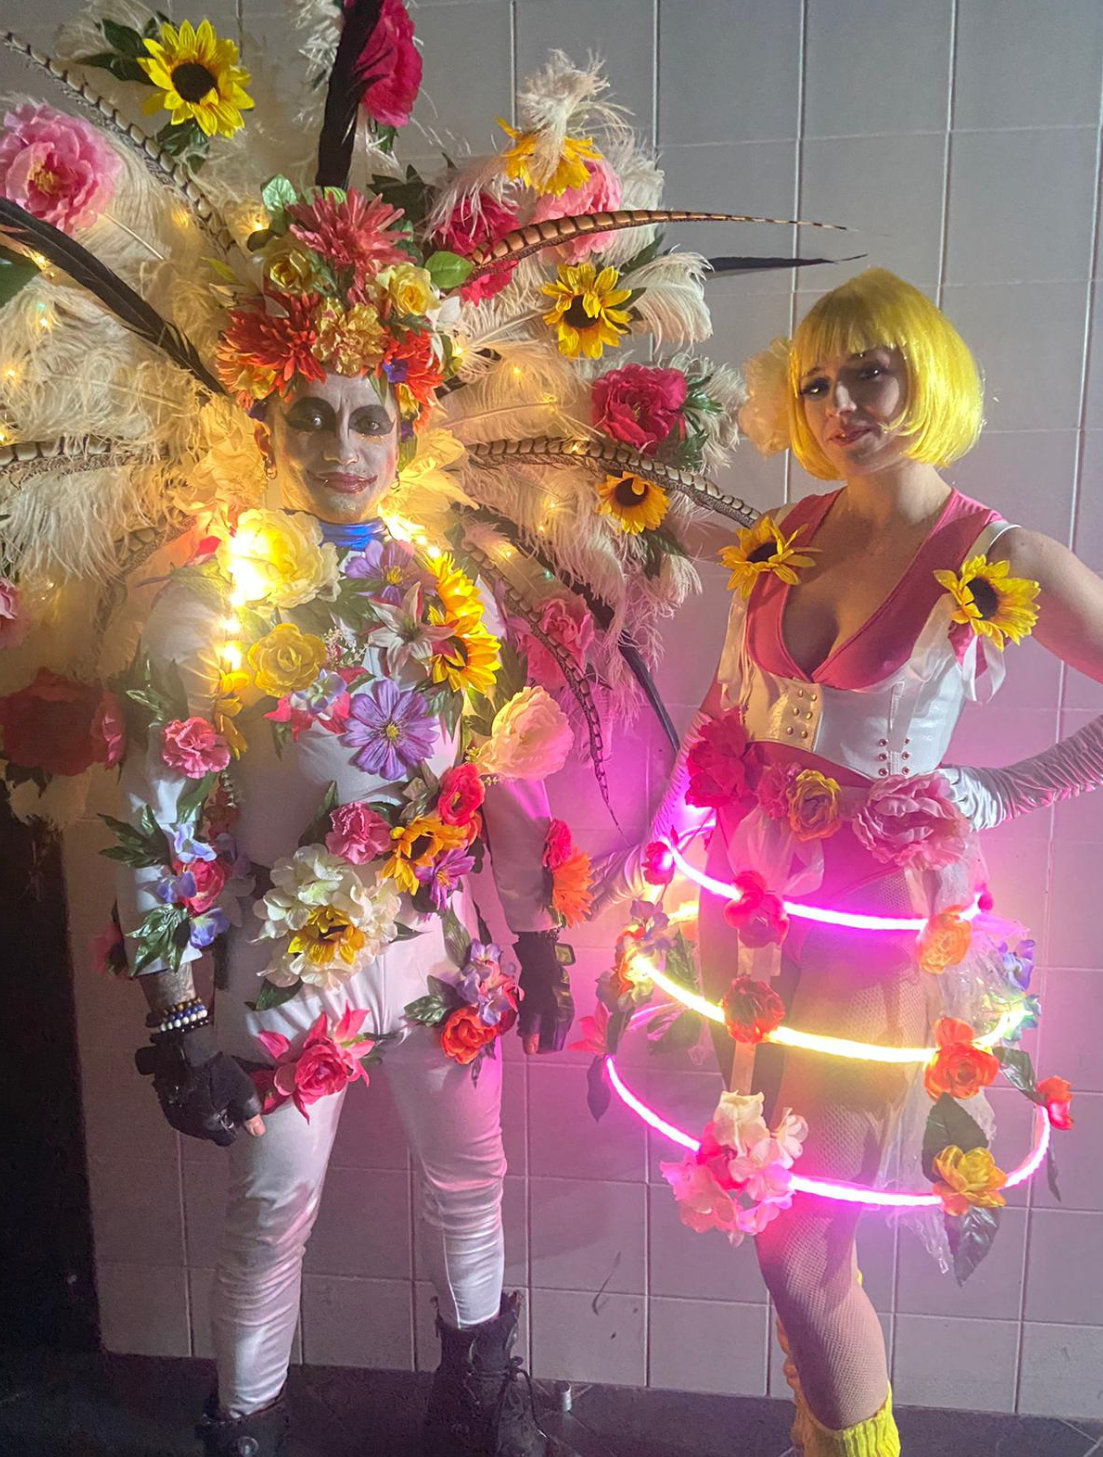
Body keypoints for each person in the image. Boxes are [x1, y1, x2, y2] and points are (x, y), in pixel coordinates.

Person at [0, 4, 813, 1453]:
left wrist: (540, 936)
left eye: (365, 418)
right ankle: (242, 1426)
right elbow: (161, 811)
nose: (339, 445)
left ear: (404, 428)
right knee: (273, 1206)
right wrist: (174, 1011)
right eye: (310, 417)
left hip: (437, 948)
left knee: (472, 1178)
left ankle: (478, 1403)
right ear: (267, 424)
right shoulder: (208, 591)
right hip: (278, 952)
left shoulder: (449, 584)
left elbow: (498, 775)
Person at [595, 268, 1099, 1457]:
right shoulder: (786, 535)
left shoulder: (998, 554)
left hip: (878, 935)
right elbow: (722, 682)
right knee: (765, 1203)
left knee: (800, 1242)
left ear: (925, 375)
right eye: (816, 383)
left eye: (867, 373)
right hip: (744, 916)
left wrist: (998, 787)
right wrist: (659, 847)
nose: (839, 406)